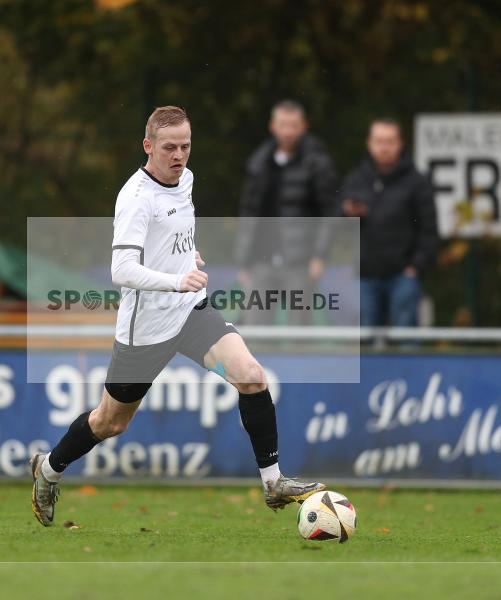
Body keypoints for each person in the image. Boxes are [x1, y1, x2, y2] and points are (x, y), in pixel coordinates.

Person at [28, 106, 325, 527]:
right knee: (109, 422)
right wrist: (175, 278)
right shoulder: (135, 198)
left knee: (252, 375)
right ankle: (48, 470)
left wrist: (187, 257)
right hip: (146, 328)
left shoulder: (186, 178)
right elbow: (122, 270)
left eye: (185, 146)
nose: (179, 155)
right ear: (148, 146)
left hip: (190, 312)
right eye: (169, 147)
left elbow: (173, 236)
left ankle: (273, 482)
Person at [234, 100, 339, 325]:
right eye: (283, 124)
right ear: (273, 126)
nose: (288, 131)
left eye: (293, 125)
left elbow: (330, 213)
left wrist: (319, 256)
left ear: (303, 127)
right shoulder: (259, 163)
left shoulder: (317, 163)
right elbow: (249, 213)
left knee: (298, 331)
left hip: (300, 262)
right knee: (255, 329)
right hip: (262, 260)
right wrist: (244, 261)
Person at [341, 118, 439, 327]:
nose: (384, 147)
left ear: (400, 143)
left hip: (402, 275)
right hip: (364, 276)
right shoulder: (356, 179)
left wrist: (415, 267)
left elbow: (429, 230)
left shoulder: (417, 182)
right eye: (379, 141)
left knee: (404, 342)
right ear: (369, 143)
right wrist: (347, 213)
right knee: (363, 344)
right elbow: (337, 224)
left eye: (389, 141)